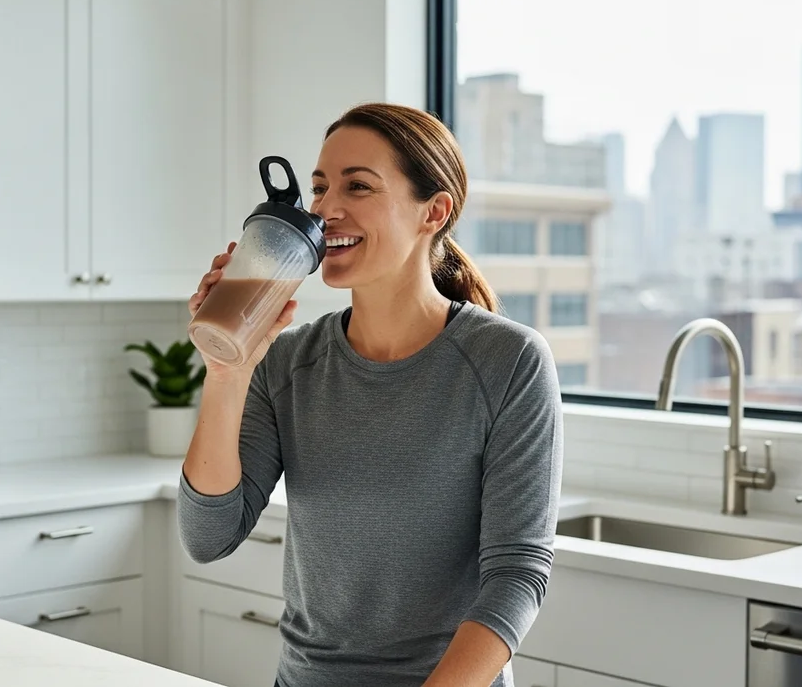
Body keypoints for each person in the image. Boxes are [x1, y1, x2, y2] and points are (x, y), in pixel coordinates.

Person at [179, 102, 563, 687]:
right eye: (319, 187)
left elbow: (517, 575)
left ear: (434, 211)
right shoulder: (287, 360)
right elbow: (209, 537)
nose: (326, 209)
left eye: (358, 186)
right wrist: (227, 371)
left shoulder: (507, 361)